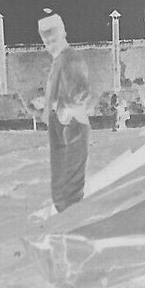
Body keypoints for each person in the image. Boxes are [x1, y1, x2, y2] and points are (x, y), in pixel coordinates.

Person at [38, 11, 95, 212]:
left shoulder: (71, 59)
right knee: (61, 188)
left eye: (53, 40)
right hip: (61, 123)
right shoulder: (60, 59)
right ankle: (65, 227)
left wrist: (63, 109)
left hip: (72, 124)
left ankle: (70, 228)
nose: (49, 45)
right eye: (45, 41)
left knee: (68, 190)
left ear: (63, 33)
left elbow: (82, 93)